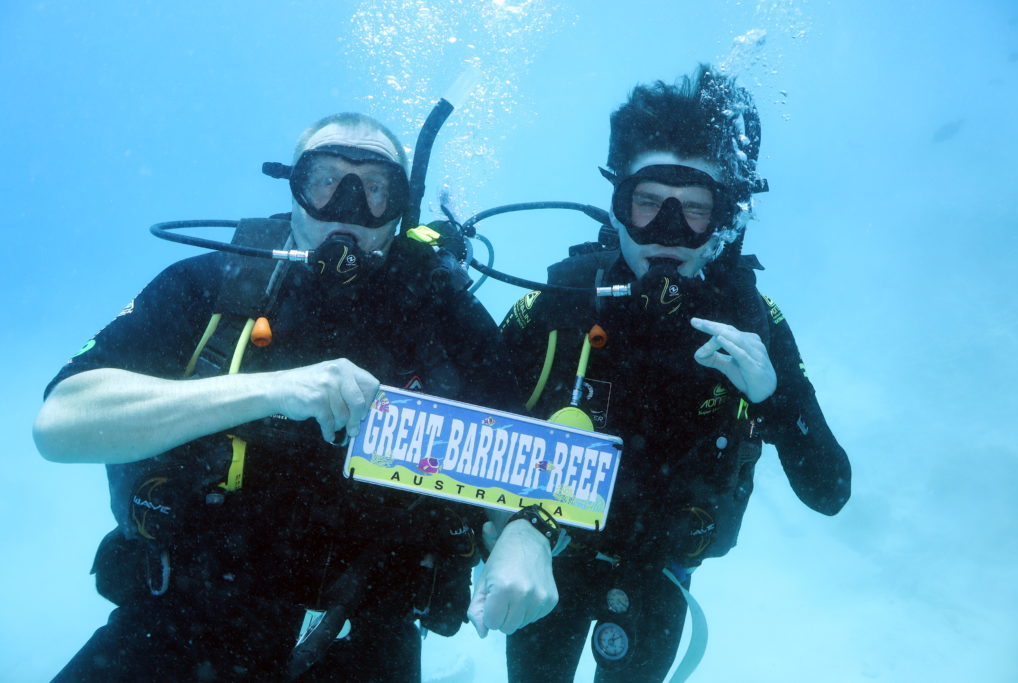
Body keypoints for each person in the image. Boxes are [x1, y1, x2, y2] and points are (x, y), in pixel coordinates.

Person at [33, 112, 552, 682]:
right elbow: (61, 421)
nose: (348, 207)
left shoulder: (445, 318)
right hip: (179, 622)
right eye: (326, 180)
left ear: (402, 206)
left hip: (365, 640)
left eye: (375, 189)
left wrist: (530, 531)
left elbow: (528, 469)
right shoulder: (210, 284)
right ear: (295, 188)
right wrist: (272, 388)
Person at [483, 65, 852, 682]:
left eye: (696, 211)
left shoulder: (753, 326)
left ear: (724, 222)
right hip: (548, 552)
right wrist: (508, 527)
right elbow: (449, 433)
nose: (669, 234)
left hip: (659, 576)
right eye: (649, 204)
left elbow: (830, 492)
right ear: (618, 204)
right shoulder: (560, 305)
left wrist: (774, 397)